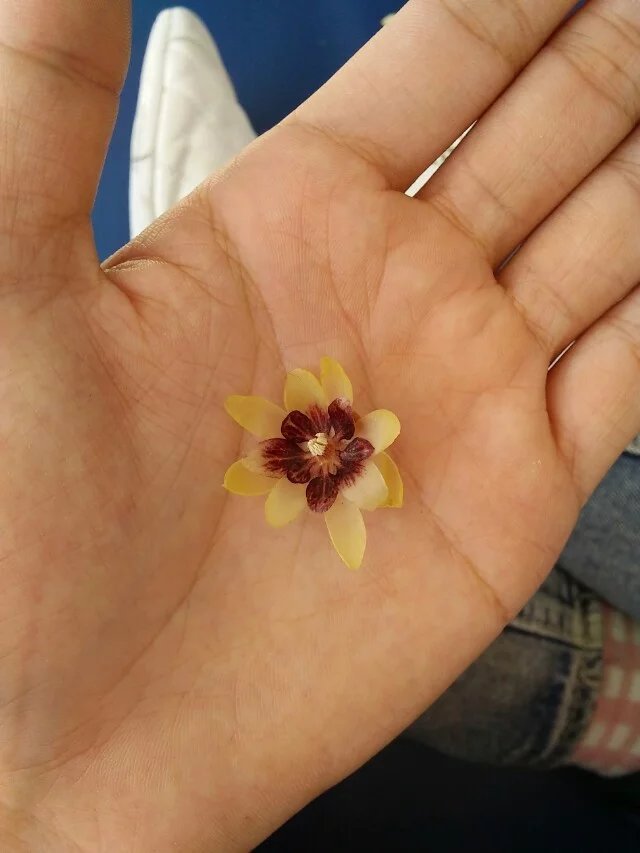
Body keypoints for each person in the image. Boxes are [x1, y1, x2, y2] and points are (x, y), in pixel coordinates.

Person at [0, 0, 639, 849]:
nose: (320, 444)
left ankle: (599, 696)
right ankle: (603, 695)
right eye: (322, 444)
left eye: (324, 441)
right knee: (531, 464)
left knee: (459, 598)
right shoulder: (326, 465)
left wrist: (36, 802)